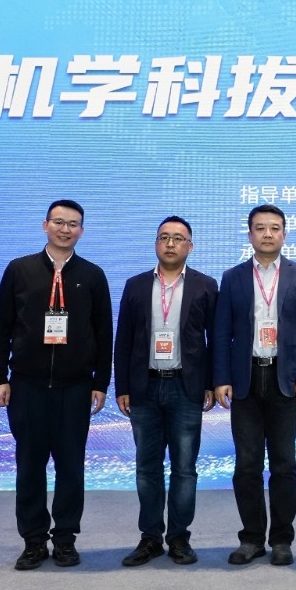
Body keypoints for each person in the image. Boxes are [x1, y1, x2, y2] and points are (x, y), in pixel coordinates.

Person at [0, 200, 112, 571]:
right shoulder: (20, 270)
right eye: (59, 222)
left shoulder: (92, 275)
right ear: (45, 225)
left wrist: (100, 382)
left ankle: (65, 539)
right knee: (29, 466)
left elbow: (104, 334)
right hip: (27, 386)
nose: (65, 229)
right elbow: (1, 327)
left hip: (75, 388)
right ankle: (33, 541)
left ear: (82, 231)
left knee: (71, 467)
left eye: (73, 224)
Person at [213, 204, 296, 567]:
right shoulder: (233, 277)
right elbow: (222, 331)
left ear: (284, 234)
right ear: (250, 235)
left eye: (275, 228)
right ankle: (252, 538)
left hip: (285, 380)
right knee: (247, 465)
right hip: (245, 380)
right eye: (260, 228)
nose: (268, 234)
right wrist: (221, 378)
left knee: (284, 464)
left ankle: (282, 540)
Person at [114, 217, 218, 568]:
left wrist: (210, 383)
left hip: (186, 388)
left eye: (178, 238)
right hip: (144, 387)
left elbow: (215, 340)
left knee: (184, 468)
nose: (170, 244)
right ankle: (150, 538)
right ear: (156, 243)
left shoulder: (205, 285)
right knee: (147, 468)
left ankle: (179, 538)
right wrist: (122, 386)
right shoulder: (136, 285)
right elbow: (124, 340)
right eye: (164, 237)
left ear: (190, 246)